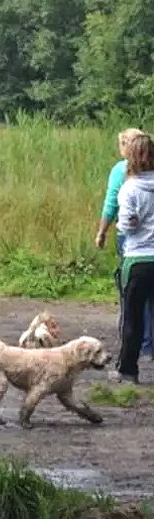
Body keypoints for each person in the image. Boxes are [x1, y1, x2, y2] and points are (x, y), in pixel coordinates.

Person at [96, 128, 153, 361]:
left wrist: (105, 230)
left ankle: (129, 363)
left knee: (131, 307)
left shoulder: (126, 181)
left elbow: (117, 213)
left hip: (137, 252)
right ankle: (150, 347)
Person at [114, 132, 154, 383]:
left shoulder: (129, 188)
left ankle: (128, 369)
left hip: (138, 258)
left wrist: (125, 224)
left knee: (133, 317)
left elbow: (126, 227)